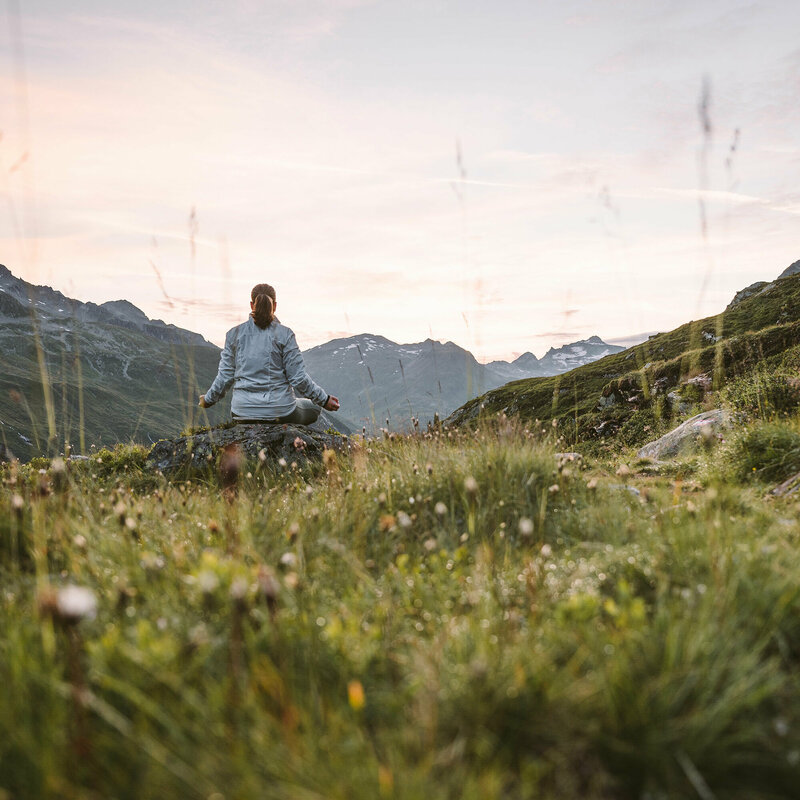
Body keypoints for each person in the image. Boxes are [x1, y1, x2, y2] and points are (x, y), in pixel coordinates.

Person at [199, 283, 339, 425]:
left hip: (241, 411)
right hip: (281, 411)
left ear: (252, 305)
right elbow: (298, 378)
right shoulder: (286, 335)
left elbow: (225, 377)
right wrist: (324, 400)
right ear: (275, 306)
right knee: (314, 407)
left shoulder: (233, 335)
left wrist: (208, 399)